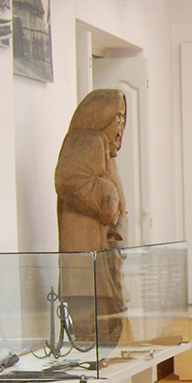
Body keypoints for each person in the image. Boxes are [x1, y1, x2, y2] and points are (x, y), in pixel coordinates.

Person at [54, 89, 128, 345]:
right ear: (100, 116)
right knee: (91, 320)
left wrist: (120, 228)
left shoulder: (106, 152)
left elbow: (118, 209)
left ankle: (101, 355)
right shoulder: (86, 143)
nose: (120, 126)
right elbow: (68, 180)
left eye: (123, 117)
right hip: (87, 258)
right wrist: (106, 194)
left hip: (104, 256)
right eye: (116, 117)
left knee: (109, 318)